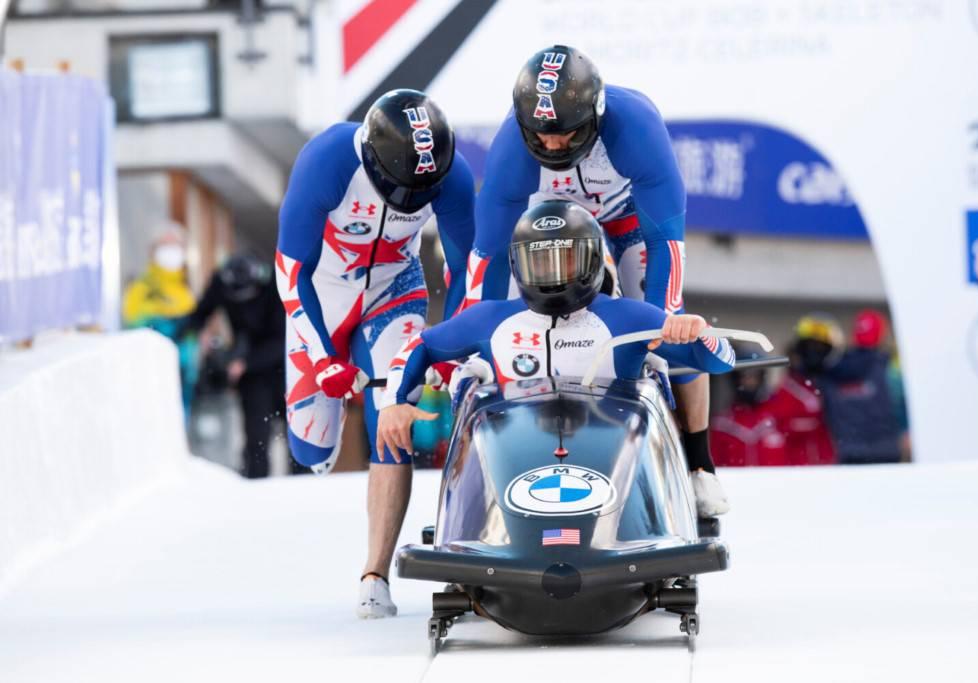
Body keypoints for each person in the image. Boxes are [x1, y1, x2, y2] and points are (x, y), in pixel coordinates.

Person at [378, 201, 736, 556]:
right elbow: (419, 346)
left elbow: (719, 361)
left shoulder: (629, 317)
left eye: (566, 258)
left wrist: (696, 332)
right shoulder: (490, 319)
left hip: (615, 467)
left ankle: (673, 496)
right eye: (540, 261)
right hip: (514, 459)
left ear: (592, 260)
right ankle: (481, 533)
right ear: (519, 265)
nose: (553, 272)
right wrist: (394, 404)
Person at [468, 46, 720, 507]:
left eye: (566, 133)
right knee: (516, 326)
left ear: (596, 115)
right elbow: (484, 261)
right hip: (550, 231)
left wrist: (662, 326)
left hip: (629, 222)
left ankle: (700, 462)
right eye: (541, 136)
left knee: (670, 321)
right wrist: (473, 350)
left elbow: (667, 242)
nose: (553, 146)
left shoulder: (637, 127)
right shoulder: (511, 150)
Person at [275, 89, 475, 618]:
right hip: (323, 295)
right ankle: (323, 408)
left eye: (421, 190)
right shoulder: (327, 160)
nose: (410, 198)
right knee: (311, 450)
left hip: (395, 290)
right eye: (399, 184)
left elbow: (466, 273)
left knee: (392, 415)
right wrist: (321, 358)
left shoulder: (453, 177)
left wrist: (449, 351)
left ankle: (374, 577)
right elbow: (291, 273)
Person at [177, 253, 292, 479]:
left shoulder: (275, 284)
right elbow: (200, 313)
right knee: (256, 435)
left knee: (294, 432)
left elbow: (284, 339)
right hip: (248, 368)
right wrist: (193, 334)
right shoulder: (222, 281)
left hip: (283, 365)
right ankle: (256, 487)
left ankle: (303, 484)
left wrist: (246, 363)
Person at [122, 223, 199, 419]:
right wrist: (167, 321)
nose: (171, 252)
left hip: (183, 371)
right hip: (151, 369)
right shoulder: (142, 285)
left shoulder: (186, 289)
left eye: (176, 246)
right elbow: (132, 319)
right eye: (165, 245)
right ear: (153, 250)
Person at [817, 309, 904, 465]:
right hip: (886, 454)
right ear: (881, 335)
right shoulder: (890, 369)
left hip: (848, 454)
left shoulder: (833, 370)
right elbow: (900, 407)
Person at [759, 314, 839, 466]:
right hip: (798, 471)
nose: (815, 354)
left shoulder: (833, 384)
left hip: (830, 467)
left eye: (821, 348)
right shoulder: (787, 389)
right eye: (809, 348)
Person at [710, 369, 787, 467]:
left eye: (754, 378)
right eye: (744, 378)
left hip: (774, 479)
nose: (749, 382)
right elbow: (716, 461)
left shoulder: (777, 417)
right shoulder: (722, 424)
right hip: (735, 480)